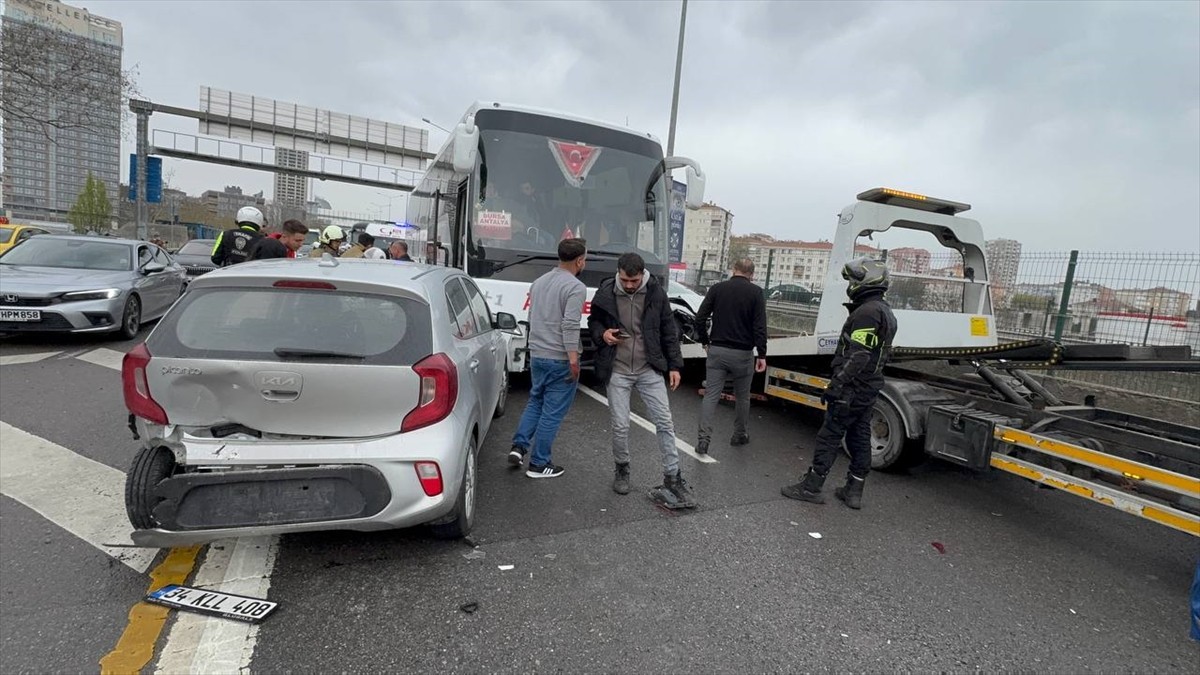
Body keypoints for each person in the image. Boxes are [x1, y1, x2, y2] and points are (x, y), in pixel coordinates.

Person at [781, 258, 897, 510]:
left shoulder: (867, 313)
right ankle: (853, 490)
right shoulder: (884, 311)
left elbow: (859, 354)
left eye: (854, 280)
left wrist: (837, 384)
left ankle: (811, 487)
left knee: (830, 436)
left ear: (865, 282)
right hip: (869, 387)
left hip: (852, 388)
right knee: (859, 435)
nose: (851, 284)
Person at [588, 252, 694, 508]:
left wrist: (675, 366)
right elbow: (593, 323)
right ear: (618, 273)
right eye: (625, 279)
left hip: (649, 369)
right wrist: (603, 335)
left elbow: (669, 330)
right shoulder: (606, 292)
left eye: (634, 280)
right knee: (620, 426)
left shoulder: (656, 293)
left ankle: (673, 476)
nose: (629, 285)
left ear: (642, 275)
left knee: (665, 422)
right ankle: (622, 468)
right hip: (619, 369)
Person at [509, 238, 588, 478]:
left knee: (536, 401)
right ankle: (539, 463)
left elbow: (533, 318)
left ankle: (518, 447)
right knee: (552, 412)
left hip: (538, 354)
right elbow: (571, 325)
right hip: (560, 357)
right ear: (579, 260)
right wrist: (573, 360)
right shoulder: (575, 287)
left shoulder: (539, 283)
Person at [693, 257, 768, 455]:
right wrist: (762, 354)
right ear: (752, 274)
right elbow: (760, 327)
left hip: (717, 351)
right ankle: (739, 435)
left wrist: (705, 342)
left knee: (711, 396)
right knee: (742, 397)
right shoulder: (756, 293)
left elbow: (699, 318)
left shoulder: (717, 289)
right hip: (743, 354)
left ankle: (703, 441)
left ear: (733, 269)